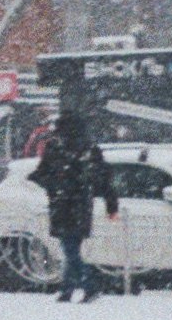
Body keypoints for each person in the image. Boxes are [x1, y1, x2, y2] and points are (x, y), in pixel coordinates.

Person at [31, 114, 118, 303]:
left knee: (70, 250)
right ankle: (68, 289)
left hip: (63, 205)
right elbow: (105, 179)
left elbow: (40, 173)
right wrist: (111, 205)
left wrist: (54, 186)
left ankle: (89, 285)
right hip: (80, 205)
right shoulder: (89, 149)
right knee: (72, 249)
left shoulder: (56, 148)